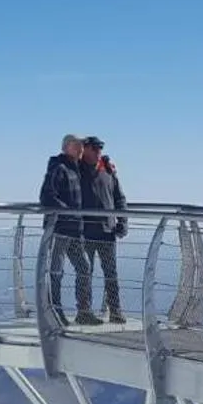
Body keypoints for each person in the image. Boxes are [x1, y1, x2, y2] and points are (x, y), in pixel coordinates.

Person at [38, 134, 96, 325]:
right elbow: (47, 196)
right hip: (60, 229)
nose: (80, 150)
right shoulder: (59, 168)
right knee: (56, 271)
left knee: (83, 268)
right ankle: (55, 311)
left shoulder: (75, 170)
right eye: (76, 146)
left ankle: (84, 312)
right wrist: (68, 212)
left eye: (81, 147)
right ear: (66, 148)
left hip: (74, 230)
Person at [77, 136, 128, 323]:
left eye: (99, 148)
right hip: (84, 231)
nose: (98, 151)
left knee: (111, 273)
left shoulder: (108, 169)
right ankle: (84, 312)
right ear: (85, 149)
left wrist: (123, 222)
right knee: (84, 273)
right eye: (94, 148)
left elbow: (119, 198)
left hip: (107, 231)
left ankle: (115, 311)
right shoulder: (77, 169)